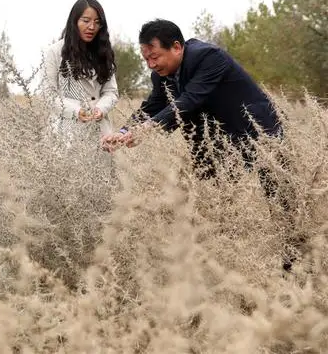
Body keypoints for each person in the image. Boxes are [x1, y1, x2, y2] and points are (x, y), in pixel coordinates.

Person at [101, 18, 300, 271]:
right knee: (212, 200)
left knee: (281, 199)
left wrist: (147, 129)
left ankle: (296, 264)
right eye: (146, 60)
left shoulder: (208, 56)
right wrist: (124, 131)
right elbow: (153, 105)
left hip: (260, 132)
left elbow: (189, 100)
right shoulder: (161, 74)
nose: (151, 65)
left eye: (155, 57)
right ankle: (227, 261)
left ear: (176, 47)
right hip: (215, 142)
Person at [42, 0, 119, 143]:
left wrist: (100, 109)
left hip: (99, 133)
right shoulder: (54, 52)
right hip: (65, 133)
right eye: (86, 20)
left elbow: (111, 92)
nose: (91, 27)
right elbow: (48, 95)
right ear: (75, 21)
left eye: (97, 22)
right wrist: (77, 111)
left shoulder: (104, 52)